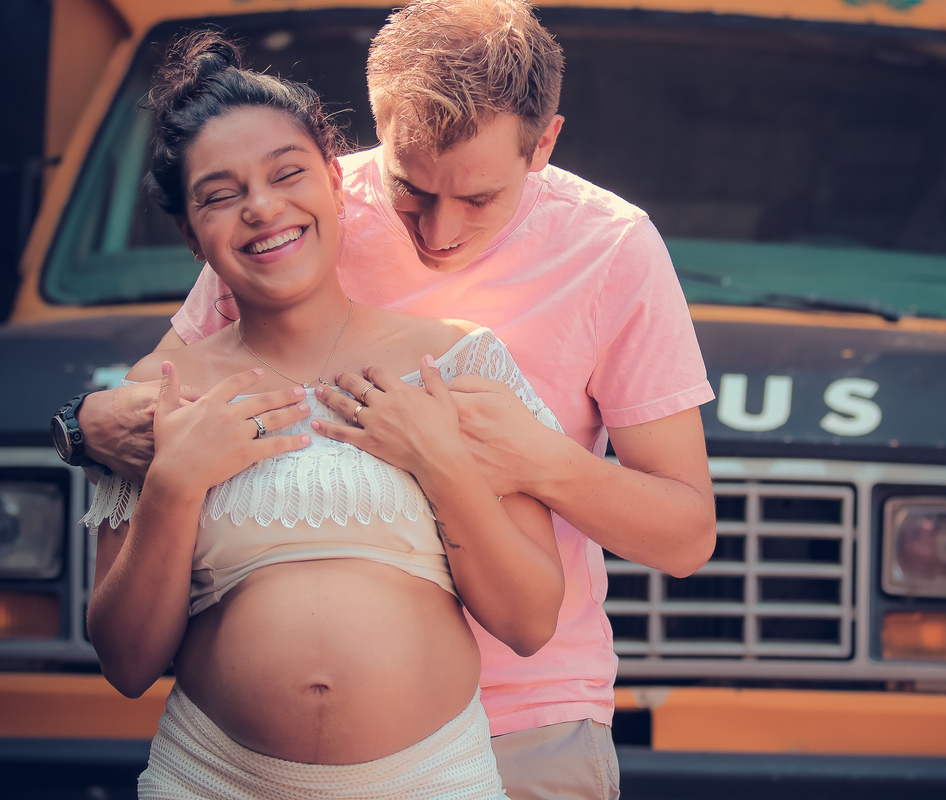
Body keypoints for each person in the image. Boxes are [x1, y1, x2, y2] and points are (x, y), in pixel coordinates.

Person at [70, 2, 717, 797]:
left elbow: (687, 537)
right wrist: (82, 427)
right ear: (372, 135)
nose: (438, 232)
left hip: (526, 717)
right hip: (228, 761)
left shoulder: (613, 249)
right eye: (411, 188)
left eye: (478, 199)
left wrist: (530, 457)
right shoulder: (293, 212)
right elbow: (157, 402)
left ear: (543, 142)